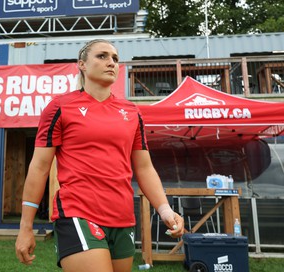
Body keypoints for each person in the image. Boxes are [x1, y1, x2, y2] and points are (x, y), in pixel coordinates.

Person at [15, 39, 184, 272]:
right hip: (78, 212)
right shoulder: (60, 107)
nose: (111, 62)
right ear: (82, 65)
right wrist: (26, 227)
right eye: (102, 56)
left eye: (115, 58)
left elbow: (144, 168)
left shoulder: (132, 112)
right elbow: (40, 167)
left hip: (123, 217)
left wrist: (165, 210)